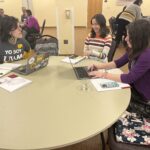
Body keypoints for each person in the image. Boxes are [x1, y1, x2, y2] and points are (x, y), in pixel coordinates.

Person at [88, 19, 150, 144]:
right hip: (134, 91)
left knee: (108, 103)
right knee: (107, 96)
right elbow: (117, 62)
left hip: (144, 101)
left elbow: (129, 78)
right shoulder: (135, 48)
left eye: (129, 36)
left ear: (139, 38)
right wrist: (98, 66)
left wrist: (103, 74)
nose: (126, 39)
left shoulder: (146, 55)